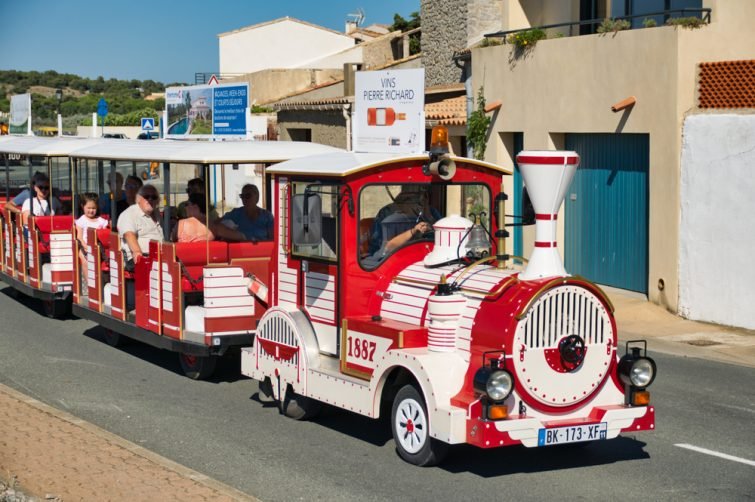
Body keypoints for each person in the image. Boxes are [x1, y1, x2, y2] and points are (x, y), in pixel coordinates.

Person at [368, 185, 441, 257]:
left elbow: (441, 233)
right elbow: (380, 251)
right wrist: (413, 231)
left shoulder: (431, 212)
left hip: (428, 255)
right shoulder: (387, 213)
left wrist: (429, 222)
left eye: (423, 195)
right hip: (393, 259)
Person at [117, 184, 163, 271]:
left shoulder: (157, 214)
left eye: (153, 197)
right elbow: (129, 235)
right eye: (146, 196)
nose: (150, 199)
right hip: (139, 258)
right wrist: (137, 252)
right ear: (138, 199)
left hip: (159, 257)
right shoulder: (130, 213)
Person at [75, 192, 109, 274]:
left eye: (93, 208)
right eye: (88, 208)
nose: (91, 210)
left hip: (99, 248)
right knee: (85, 261)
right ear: (83, 207)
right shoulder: (81, 221)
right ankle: (89, 282)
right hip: (85, 248)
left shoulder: (102, 221)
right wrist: (86, 247)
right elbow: (79, 237)